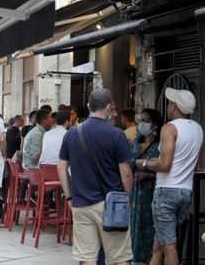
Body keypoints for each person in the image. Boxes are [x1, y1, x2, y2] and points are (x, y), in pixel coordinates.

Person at [57, 88, 133, 264]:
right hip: (110, 203)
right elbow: (126, 173)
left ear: (89, 105)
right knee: (120, 257)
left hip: (81, 203)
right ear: (108, 107)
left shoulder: (71, 133)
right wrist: (126, 200)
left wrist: (69, 197)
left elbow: (61, 168)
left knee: (87, 257)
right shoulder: (116, 134)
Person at [136, 88, 203, 265]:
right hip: (186, 191)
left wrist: (144, 163)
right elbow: (196, 165)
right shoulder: (198, 129)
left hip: (166, 191)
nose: (169, 106)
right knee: (160, 245)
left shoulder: (169, 128)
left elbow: (164, 165)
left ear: (174, 106)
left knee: (170, 247)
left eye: (171, 103)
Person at [130, 108, 163, 264]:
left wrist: (149, 175)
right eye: (140, 120)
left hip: (152, 191)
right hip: (136, 191)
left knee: (150, 225)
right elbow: (128, 162)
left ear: (155, 125)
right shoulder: (136, 141)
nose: (142, 123)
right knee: (135, 224)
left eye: (146, 120)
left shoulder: (161, 145)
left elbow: (165, 168)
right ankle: (136, 258)